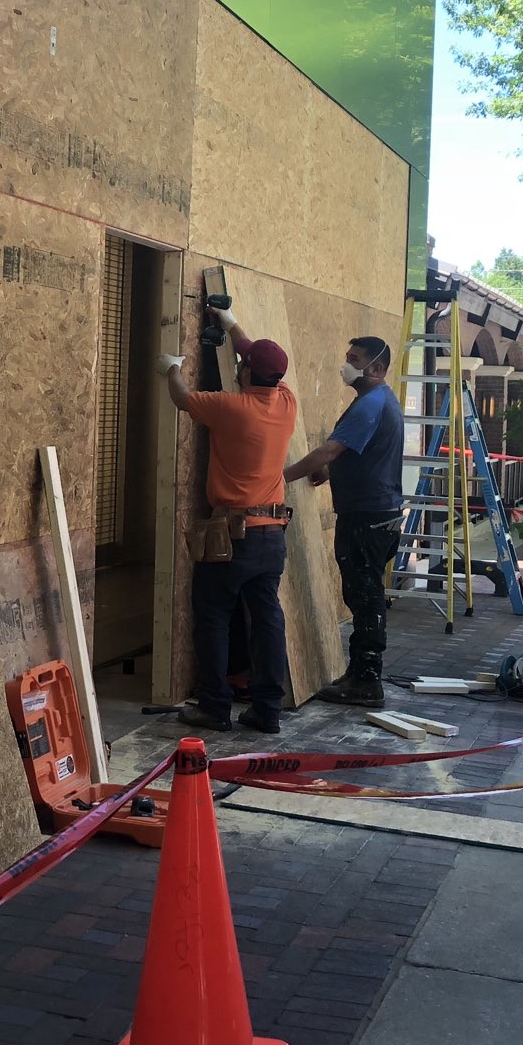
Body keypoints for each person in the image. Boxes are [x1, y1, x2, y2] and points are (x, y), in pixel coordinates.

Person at [159, 307, 297, 734]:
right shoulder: (286, 402)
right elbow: (253, 354)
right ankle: (268, 709)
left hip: (233, 537)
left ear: (248, 373)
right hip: (272, 534)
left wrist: (171, 368)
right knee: (267, 618)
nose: (238, 364)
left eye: (243, 363)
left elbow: (182, 398)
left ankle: (215, 707)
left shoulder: (231, 407)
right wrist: (230, 320)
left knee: (213, 616)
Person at [283, 335, 403, 708]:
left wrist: (279, 478)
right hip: (376, 513)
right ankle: (360, 674)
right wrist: (327, 473)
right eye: (347, 357)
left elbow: (330, 450)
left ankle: (366, 681)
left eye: (355, 359)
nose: (347, 365)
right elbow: (357, 454)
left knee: (365, 597)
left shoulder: (370, 404)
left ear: (377, 368)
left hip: (367, 517)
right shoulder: (378, 401)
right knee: (363, 594)